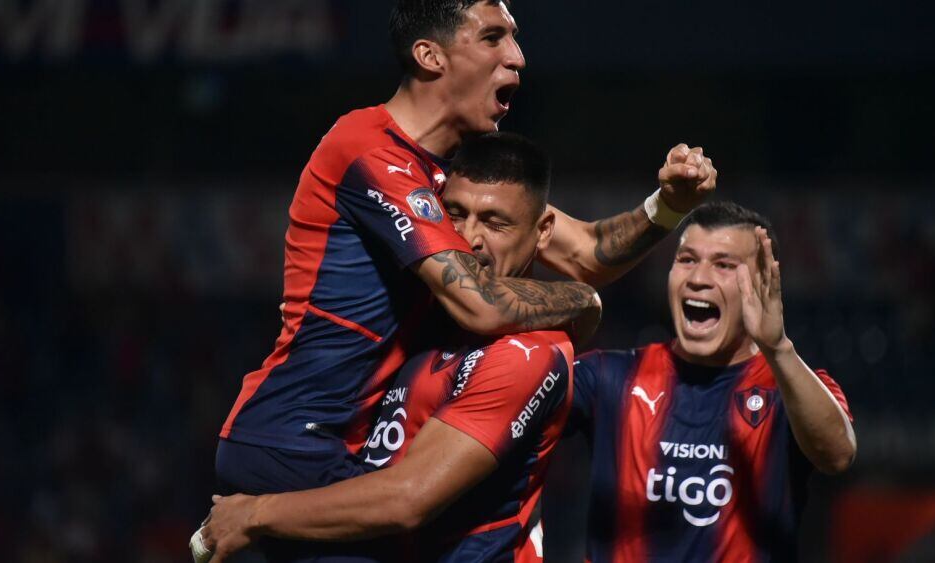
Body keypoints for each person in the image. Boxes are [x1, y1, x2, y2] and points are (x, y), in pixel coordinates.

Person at [211, 3, 717, 559]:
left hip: (352, 441)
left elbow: (588, 251)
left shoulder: (450, 174)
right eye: (494, 38)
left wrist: (667, 207)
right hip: (299, 438)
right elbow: (480, 305)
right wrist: (582, 303)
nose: (517, 58)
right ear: (431, 56)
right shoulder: (369, 149)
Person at [203, 132, 678, 562]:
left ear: (543, 234)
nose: (470, 239)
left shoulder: (525, 353)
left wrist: (256, 514)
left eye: (495, 222)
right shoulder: (428, 313)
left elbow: (407, 498)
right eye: (456, 214)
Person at [568, 201, 857, 562]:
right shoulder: (610, 377)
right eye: (687, 259)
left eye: (724, 265)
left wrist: (778, 349)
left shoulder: (790, 387)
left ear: (764, 283)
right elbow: (507, 403)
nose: (698, 278)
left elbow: (838, 455)